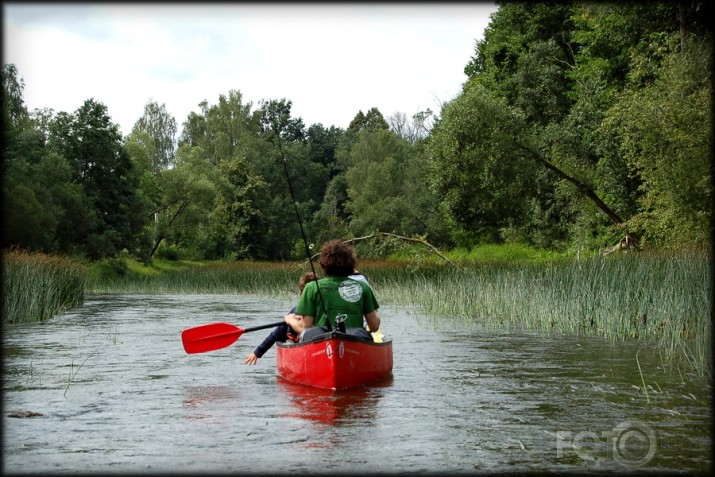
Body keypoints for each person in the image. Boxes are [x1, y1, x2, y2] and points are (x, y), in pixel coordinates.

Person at [284, 240, 381, 342]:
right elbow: (374, 326)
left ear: (324, 263)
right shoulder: (363, 287)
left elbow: (304, 327)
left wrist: (289, 319)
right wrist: (375, 311)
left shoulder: (311, 287)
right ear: (351, 264)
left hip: (322, 342)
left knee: (307, 334)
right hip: (355, 339)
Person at [243, 272, 318, 365]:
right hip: (301, 345)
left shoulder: (321, 312)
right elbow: (275, 335)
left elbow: (274, 335)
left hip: (314, 349)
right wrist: (257, 353)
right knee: (287, 335)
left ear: (300, 294)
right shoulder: (295, 311)